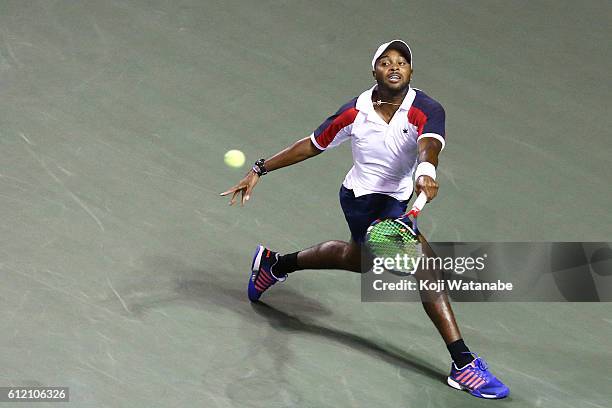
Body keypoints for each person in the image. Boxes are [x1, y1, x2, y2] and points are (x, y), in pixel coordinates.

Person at [221, 40, 509, 399]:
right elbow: (312, 144)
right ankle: (463, 364)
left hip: (399, 199)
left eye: (402, 62)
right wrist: (259, 169)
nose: (394, 67)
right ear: (373, 71)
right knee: (426, 266)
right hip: (362, 200)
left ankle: (274, 264)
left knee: (357, 260)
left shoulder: (426, 108)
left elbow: (429, 144)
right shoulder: (354, 113)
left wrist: (426, 171)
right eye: (385, 62)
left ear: (410, 71)